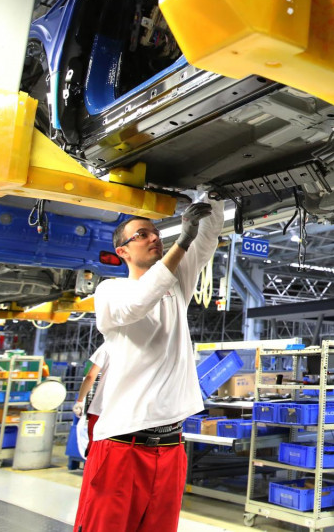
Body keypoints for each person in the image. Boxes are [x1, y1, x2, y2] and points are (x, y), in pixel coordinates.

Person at [73, 197, 223, 532]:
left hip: (170, 449)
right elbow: (138, 304)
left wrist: (211, 196)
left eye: (156, 233)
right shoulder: (111, 291)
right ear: (123, 251)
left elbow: (207, 238)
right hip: (121, 447)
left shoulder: (175, 284)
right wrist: (181, 241)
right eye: (142, 234)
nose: (154, 237)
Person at [74, 343, 109, 457]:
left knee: (95, 448)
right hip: (124, 411)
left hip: (101, 408)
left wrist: (80, 401)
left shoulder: (107, 347)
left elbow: (90, 376)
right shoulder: (137, 347)